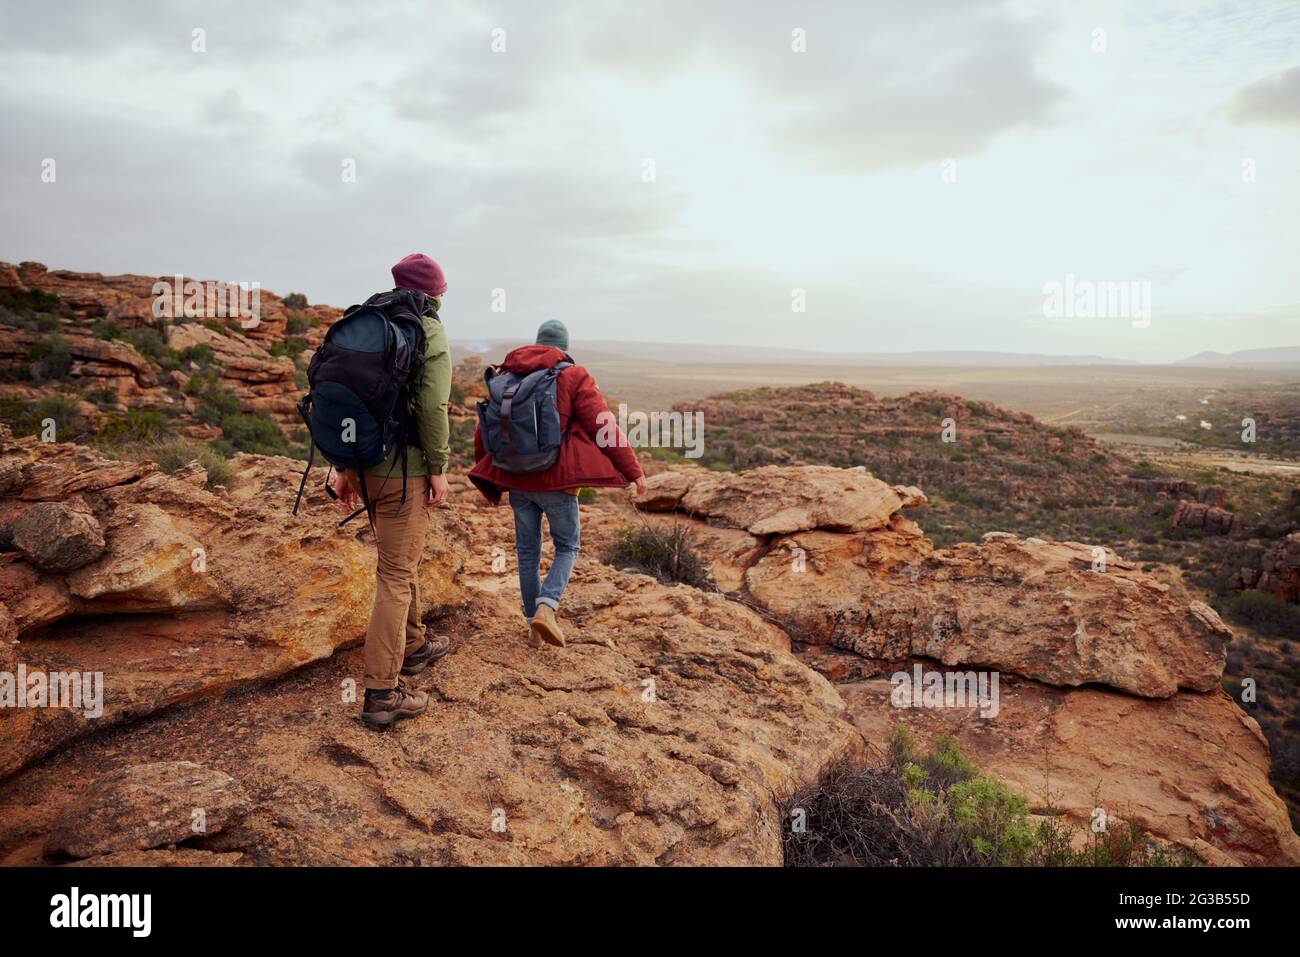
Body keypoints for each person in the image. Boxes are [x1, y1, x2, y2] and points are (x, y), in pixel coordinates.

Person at [469, 320, 646, 647]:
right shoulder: (573, 375)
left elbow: (485, 430)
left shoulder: (506, 377)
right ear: (564, 346)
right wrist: (632, 470)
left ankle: (532, 627)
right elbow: (603, 427)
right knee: (567, 546)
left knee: (527, 553)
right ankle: (547, 608)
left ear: (537, 343)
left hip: (517, 478)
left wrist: (489, 474)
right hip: (558, 483)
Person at [336, 253, 452, 728]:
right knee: (395, 575)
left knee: (399, 562)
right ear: (437, 292)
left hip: (363, 465)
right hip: (404, 470)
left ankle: (417, 644)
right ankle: (382, 694)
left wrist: (343, 466)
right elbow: (432, 405)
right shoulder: (427, 328)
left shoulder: (367, 323)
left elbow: (344, 399)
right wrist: (439, 467)